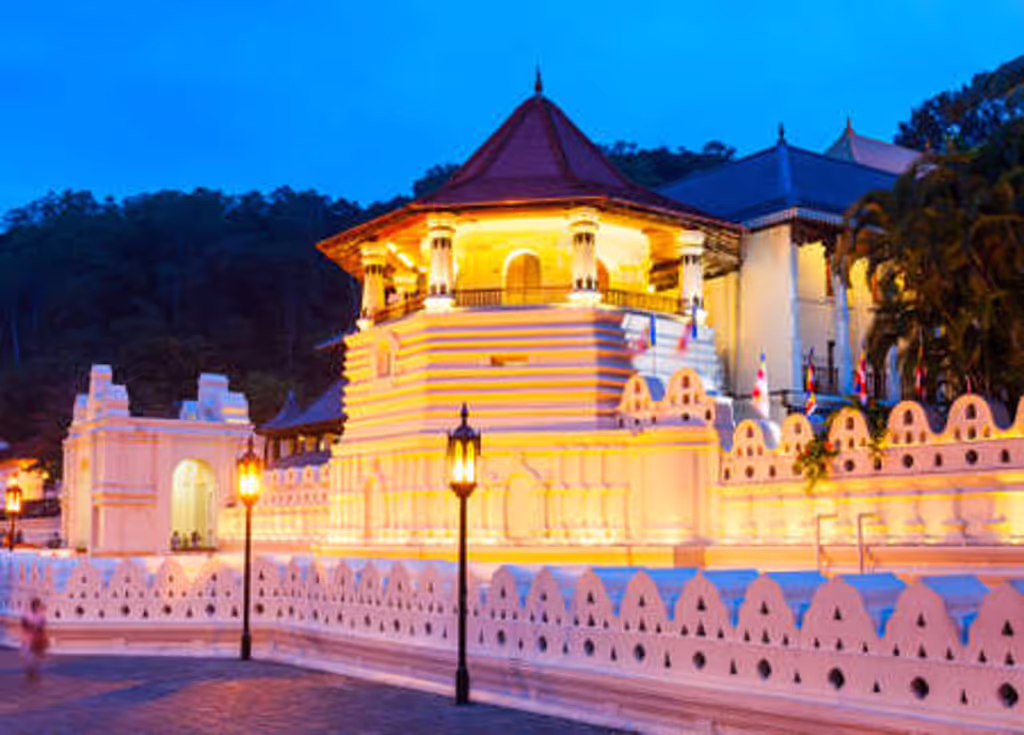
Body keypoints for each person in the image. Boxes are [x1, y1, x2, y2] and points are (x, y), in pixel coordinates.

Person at [20, 597, 48, 682]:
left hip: (37, 638)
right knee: (28, 656)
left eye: (38, 605)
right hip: (28, 637)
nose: (37, 607)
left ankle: (34, 672)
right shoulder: (27, 614)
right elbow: (23, 623)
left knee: (37, 657)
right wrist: (30, 626)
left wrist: (39, 627)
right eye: (36, 605)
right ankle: (29, 671)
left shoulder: (41, 615)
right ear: (33, 606)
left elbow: (43, 624)